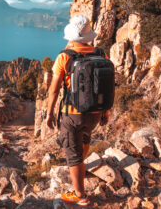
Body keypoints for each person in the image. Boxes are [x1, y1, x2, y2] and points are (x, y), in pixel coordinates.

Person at [46, 15, 110, 206]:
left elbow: (55, 89)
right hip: (95, 113)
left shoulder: (65, 56)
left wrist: (49, 113)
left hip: (72, 114)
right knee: (84, 138)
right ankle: (81, 170)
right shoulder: (102, 54)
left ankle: (80, 195)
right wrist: (106, 112)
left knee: (72, 154)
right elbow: (105, 86)